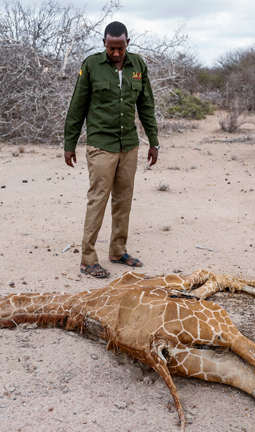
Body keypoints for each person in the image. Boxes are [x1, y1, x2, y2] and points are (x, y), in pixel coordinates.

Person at [64, 21, 159, 278]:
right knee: (98, 200)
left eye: (120, 47)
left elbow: (146, 106)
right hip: (101, 146)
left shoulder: (138, 65)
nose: (116, 53)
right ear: (104, 43)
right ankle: (87, 259)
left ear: (128, 43)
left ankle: (118, 251)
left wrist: (154, 141)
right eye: (110, 48)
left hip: (128, 145)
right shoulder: (91, 65)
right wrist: (69, 144)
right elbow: (77, 107)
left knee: (123, 200)